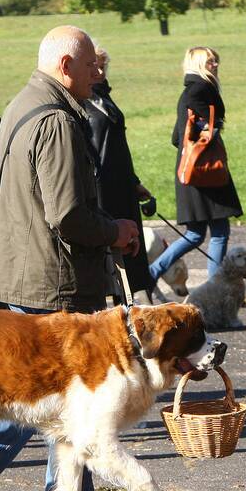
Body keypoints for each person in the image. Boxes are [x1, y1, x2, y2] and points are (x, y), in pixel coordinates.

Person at [0, 25, 141, 491]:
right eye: (92, 63)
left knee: (52, 388)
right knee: (63, 390)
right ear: (65, 65)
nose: (99, 71)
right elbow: (68, 214)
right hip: (55, 277)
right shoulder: (57, 122)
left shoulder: (22, 104)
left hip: (24, 268)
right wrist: (116, 230)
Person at [148, 47, 243, 286]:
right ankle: (214, 288)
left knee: (195, 234)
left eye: (216, 60)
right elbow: (206, 130)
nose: (215, 65)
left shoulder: (189, 92)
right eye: (210, 61)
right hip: (206, 172)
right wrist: (212, 131)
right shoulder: (202, 90)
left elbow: (176, 138)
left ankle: (151, 274)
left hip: (189, 172)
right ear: (199, 65)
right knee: (219, 231)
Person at [86, 45, 154, 302]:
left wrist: (134, 182)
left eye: (104, 66)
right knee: (109, 253)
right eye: (95, 65)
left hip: (120, 186)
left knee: (131, 251)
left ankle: (131, 306)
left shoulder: (104, 97)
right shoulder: (83, 100)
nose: (101, 71)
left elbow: (117, 146)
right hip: (100, 187)